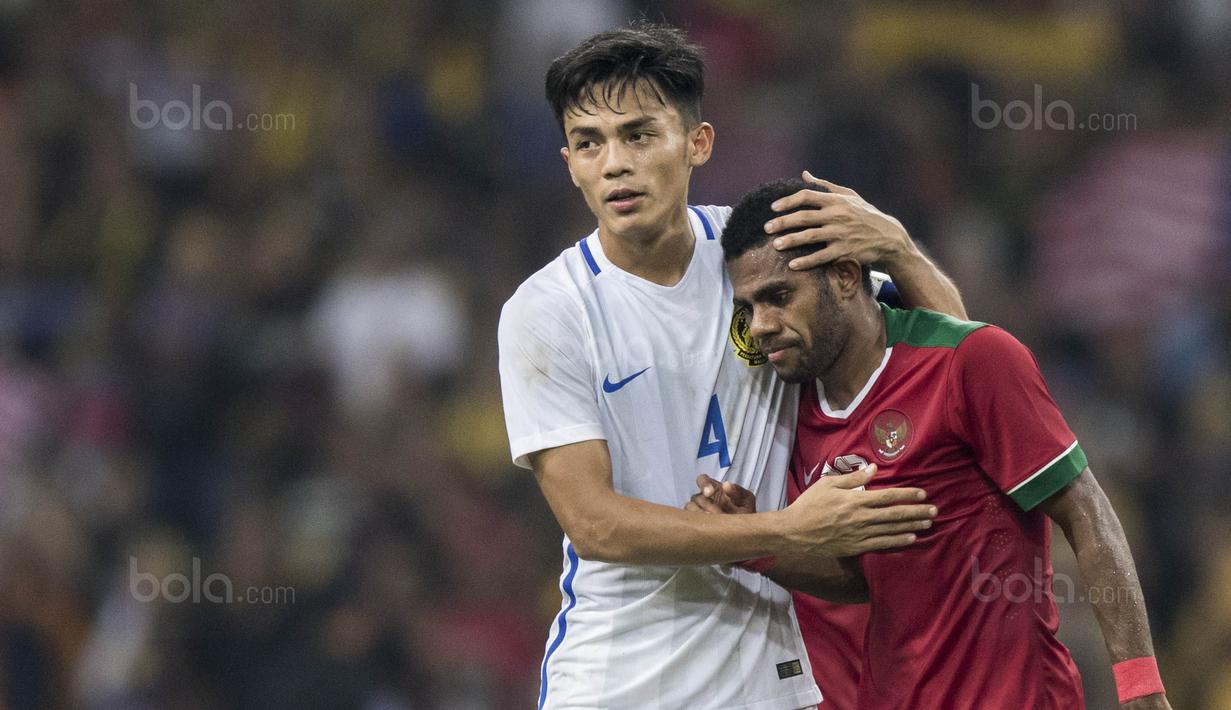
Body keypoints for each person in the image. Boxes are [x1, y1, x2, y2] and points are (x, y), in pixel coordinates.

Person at [497, 22, 966, 710]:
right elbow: (593, 524)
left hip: (768, 678)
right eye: (590, 143)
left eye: (638, 134)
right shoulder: (548, 311)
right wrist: (786, 531)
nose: (615, 164)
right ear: (568, 161)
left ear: (697, 143)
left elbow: (957, 358)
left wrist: (898, 250)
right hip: (618, 681)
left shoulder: (765, 254)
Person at [695, 177, 1170, 709]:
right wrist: (753, 543)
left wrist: (1140, 684)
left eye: (779, 297)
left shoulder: (969, 359)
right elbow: (865, 579)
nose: (760, 325)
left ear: (847, 276)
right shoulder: (799, 415)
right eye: (749, 307)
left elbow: (1087, 511)